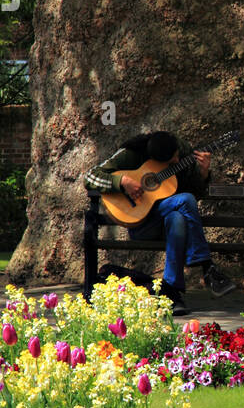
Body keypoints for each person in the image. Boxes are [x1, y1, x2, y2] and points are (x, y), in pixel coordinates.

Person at [84, 130, 235, 310]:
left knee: (178, 216)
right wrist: (123, 181)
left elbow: (194, 197)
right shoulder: (131, 154)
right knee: (185, 200)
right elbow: (90, 176)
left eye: (177, 156)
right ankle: (207, 266)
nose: (177, 161)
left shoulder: (180, 149)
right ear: (154, 158)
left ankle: (171, 293)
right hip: (140, 222)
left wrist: (203, 173)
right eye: (170, 160)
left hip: (170, 224)